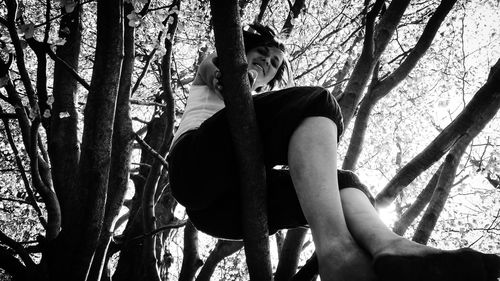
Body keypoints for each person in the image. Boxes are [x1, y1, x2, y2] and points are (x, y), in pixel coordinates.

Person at [168, 23, 500, 281]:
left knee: (344, 182)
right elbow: (217, 71)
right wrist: (242, 72)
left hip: (228, 215)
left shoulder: (255, 107)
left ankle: (392, 247)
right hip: (193, 168)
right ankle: (337, 252)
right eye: (264, 53)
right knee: (319, 102)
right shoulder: (213, 66)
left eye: (273, 64)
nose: (266, 63)